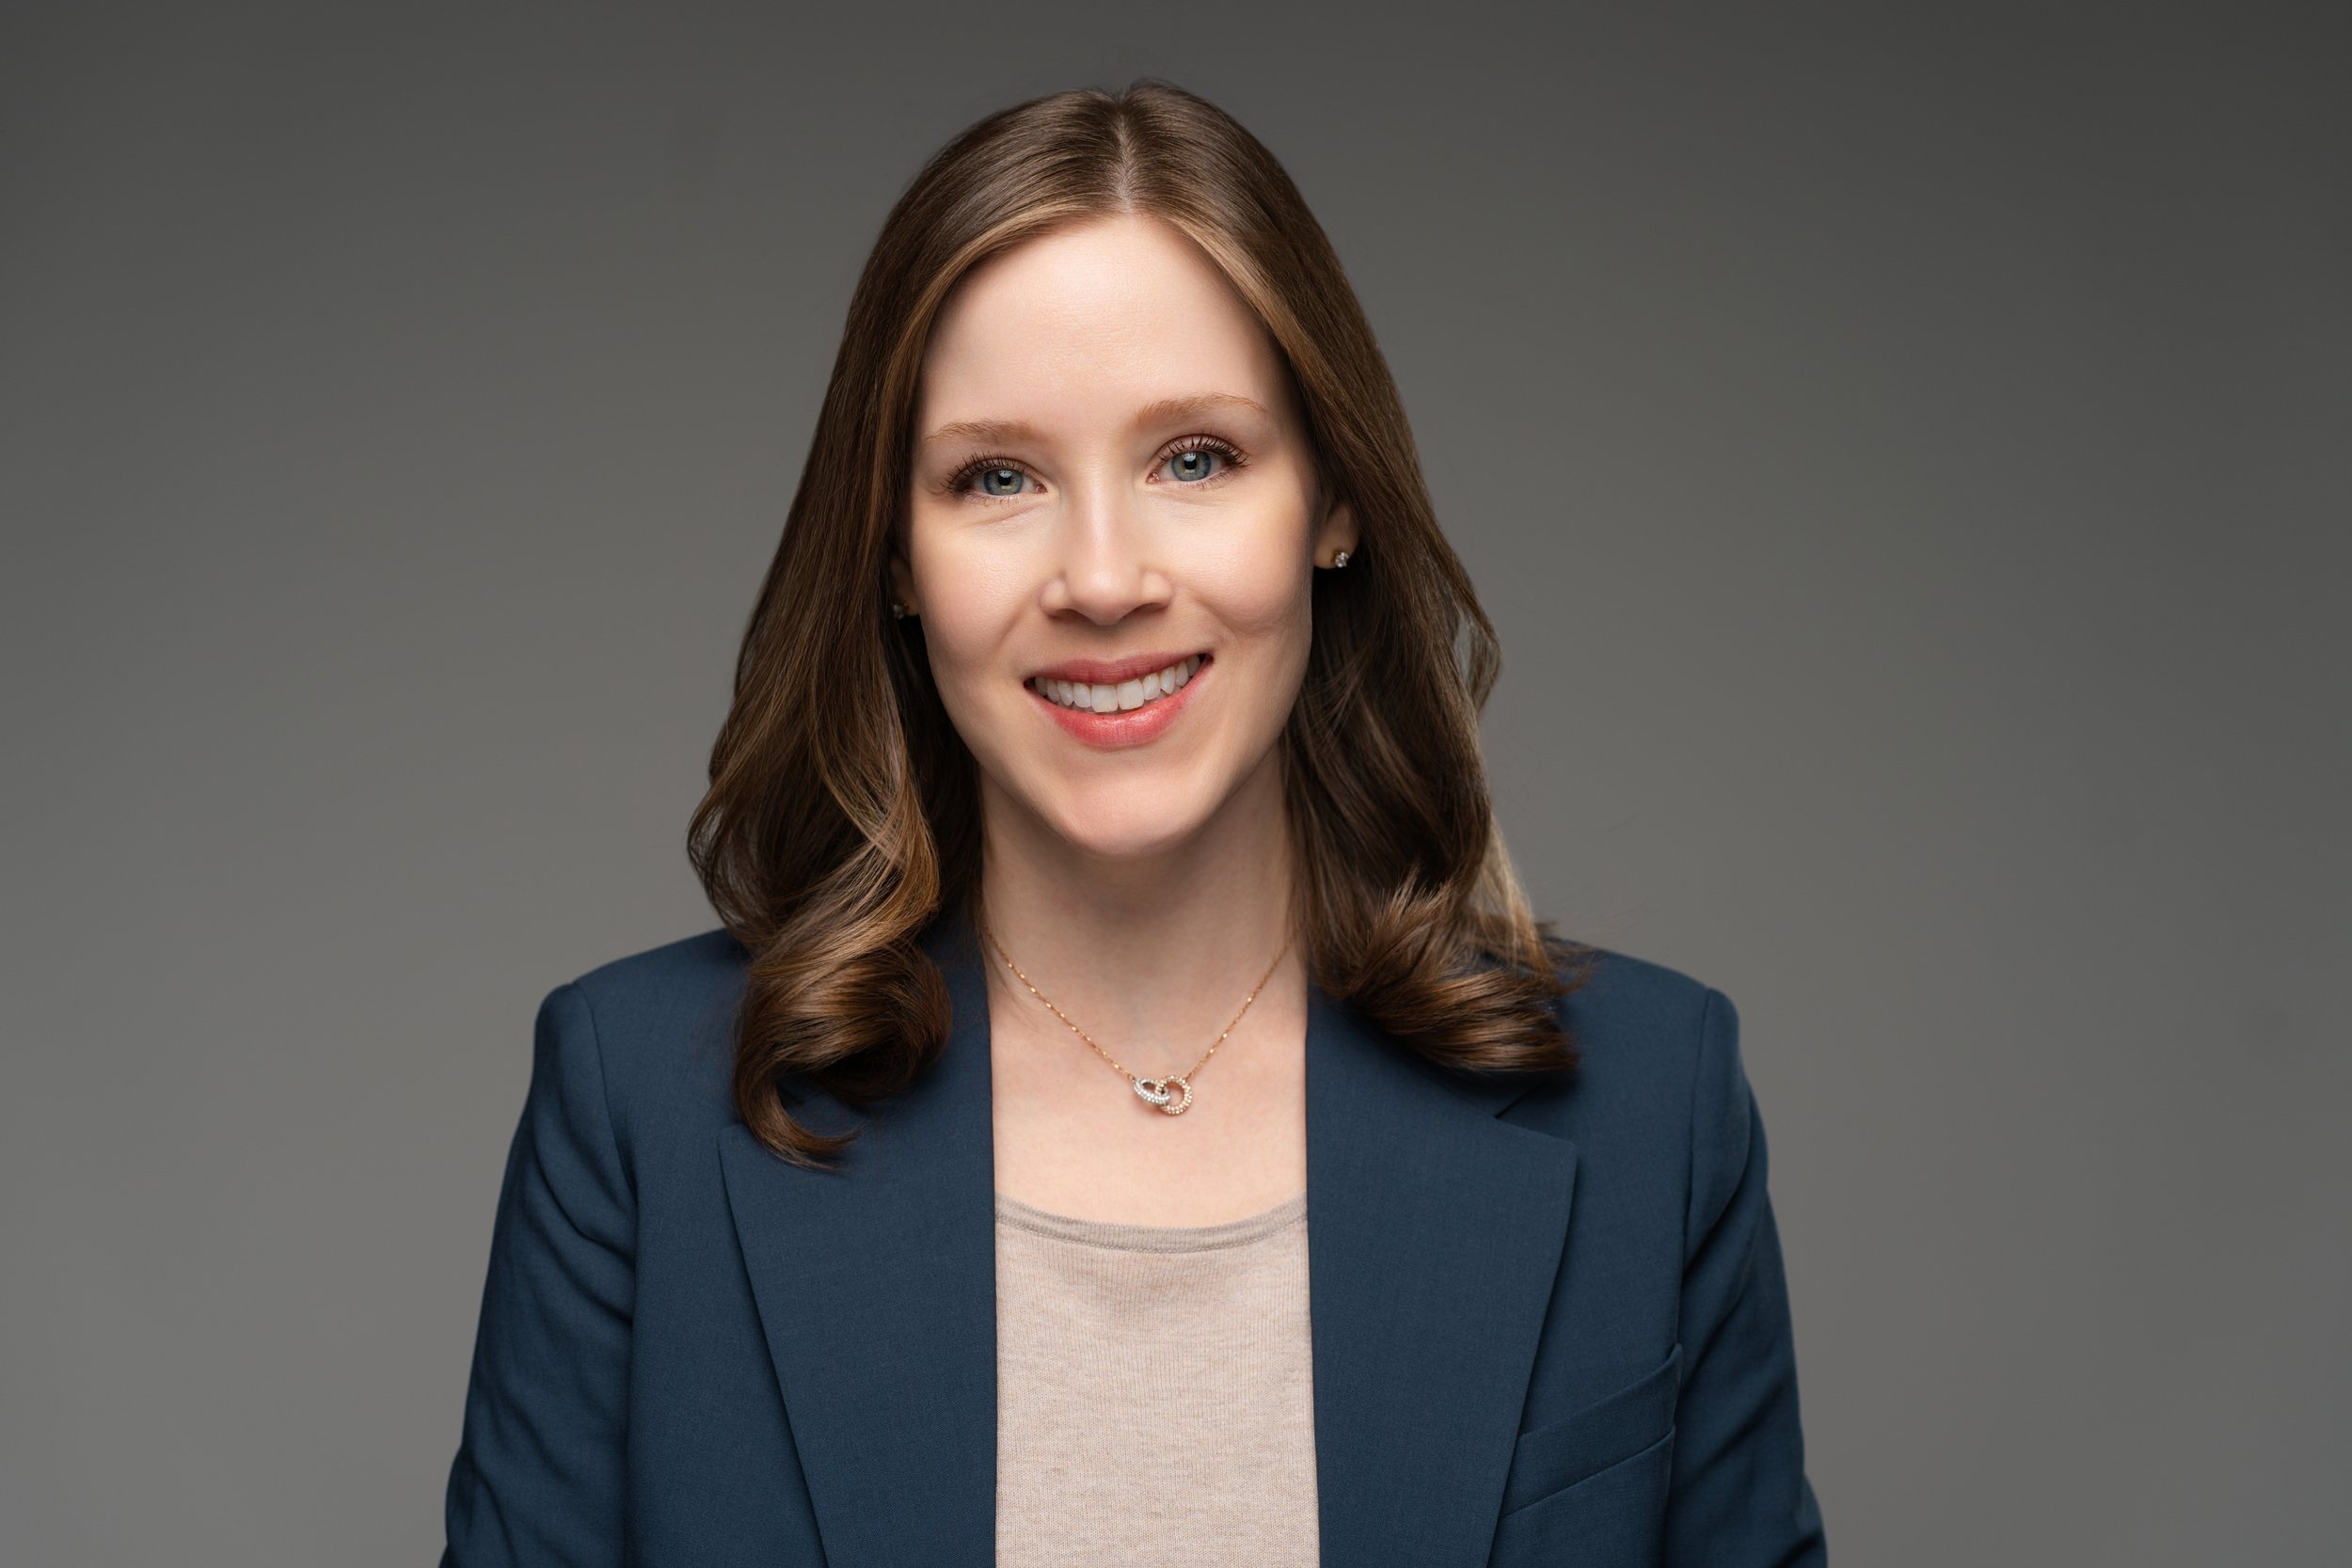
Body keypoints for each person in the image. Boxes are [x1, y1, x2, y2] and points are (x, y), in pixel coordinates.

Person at [438, 79, 1826, 1568]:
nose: (1103, 579)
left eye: (1196, 459)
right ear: (897, 557)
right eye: (998, 476)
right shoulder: (638, 1107)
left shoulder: (1648, 1111)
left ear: (1334, 501)